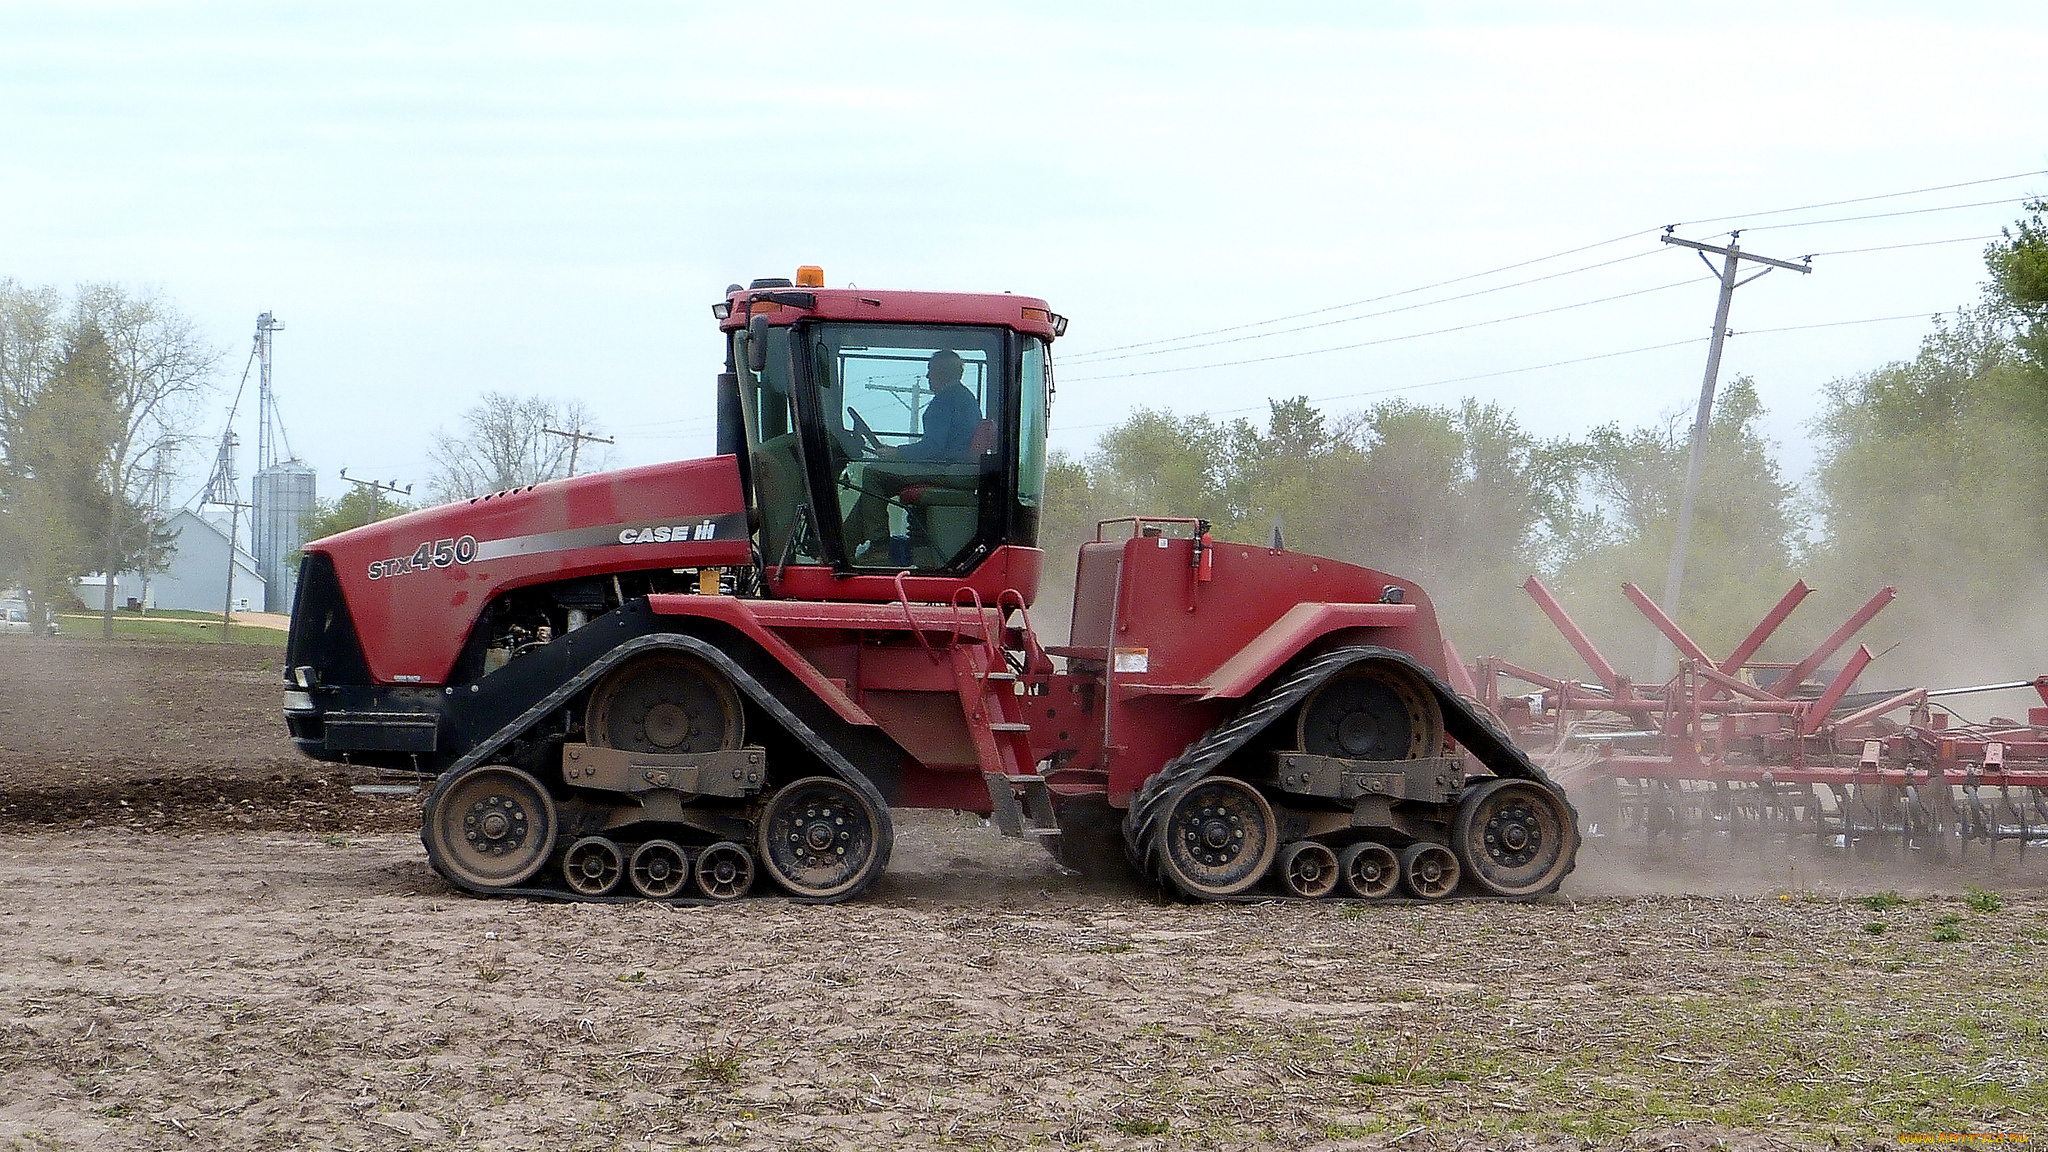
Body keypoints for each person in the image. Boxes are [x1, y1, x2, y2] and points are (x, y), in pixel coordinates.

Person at [847, 350, 985, 564]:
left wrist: (898, 453)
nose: (928, 377)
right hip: (957, 469)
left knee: (873, 474)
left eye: (930, 371)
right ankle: (845, 543)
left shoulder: (946, 400)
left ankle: (880, 548)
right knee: (874, 486)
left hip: (949, 469)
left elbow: (933, 448)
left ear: (941, 372)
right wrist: (897, 454)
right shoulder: (964, 397)